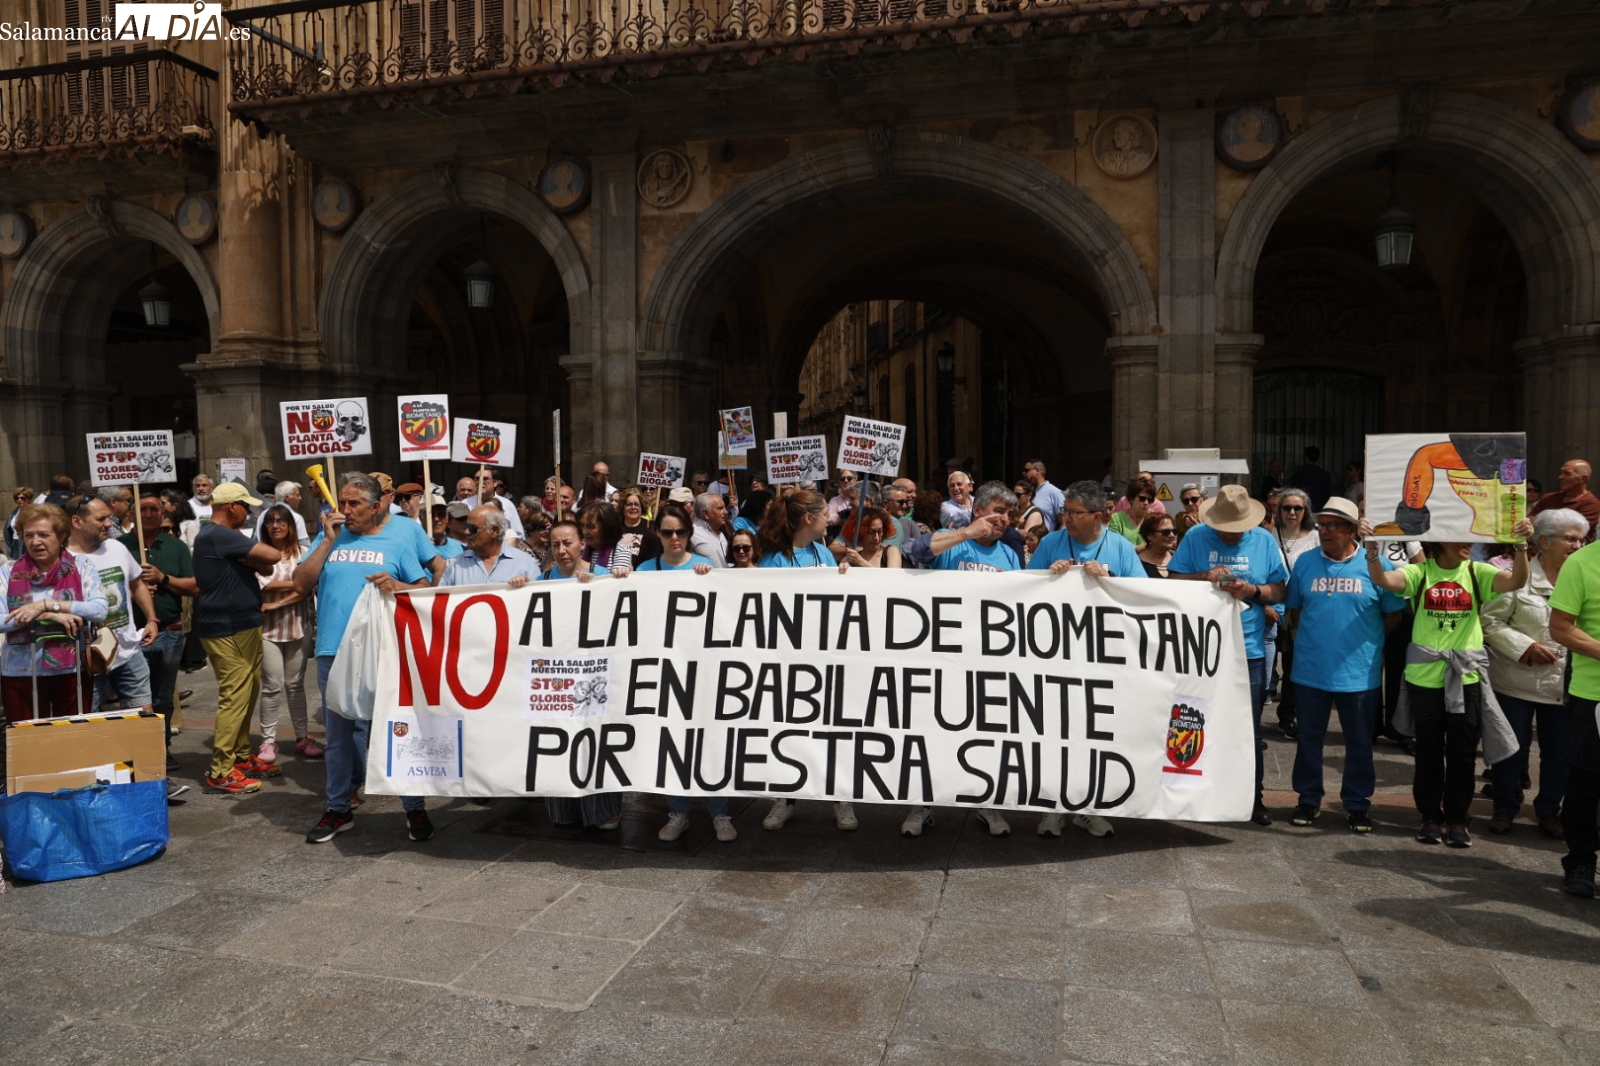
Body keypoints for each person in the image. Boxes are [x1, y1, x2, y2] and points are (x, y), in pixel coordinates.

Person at [1362, 517, 1532, 848]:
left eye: (1470, 537)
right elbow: (1383, 579)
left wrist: (1522, 546)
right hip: (1425, 678)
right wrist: (1370, 548)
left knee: (1463, 753)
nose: (1468, 543)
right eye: (1459, 537)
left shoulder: (1476, 571)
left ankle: (1457, 818)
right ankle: (1429, 816)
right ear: (1439, 540)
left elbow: (1516, 582)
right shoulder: (1421, 573)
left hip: (1466, 677)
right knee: (1428, 751)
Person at [296, 473, 438, 844]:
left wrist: (399, 586)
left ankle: (414, 806)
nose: (345, 510)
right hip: (332, 649)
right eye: (342, 502)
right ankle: (339, 807)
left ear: (376, 506)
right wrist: (327, 542)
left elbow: (424, 589)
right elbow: (300, 582)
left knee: (398, 728)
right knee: (339, 736)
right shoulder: (329, 538)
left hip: (385, 650)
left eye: (354, 503)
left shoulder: (398, 541)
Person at [901, 482, 1026, 839]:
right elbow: (915, 553)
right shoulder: (952, 539)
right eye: (997, 511)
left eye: (1008, 514)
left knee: (985, 734)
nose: (1003, 520)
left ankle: (986, 803)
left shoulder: (1010, 555)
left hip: (987, 661)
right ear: (977, 511)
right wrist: (967, 533)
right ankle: (922, 804)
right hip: (942, 656)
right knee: (931, 733)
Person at [1283, 497, 1406, 833]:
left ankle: (1356, 804)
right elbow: (1294, 611)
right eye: (1323, 524)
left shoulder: (1378, 565)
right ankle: (1308, 799)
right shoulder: (1306, 563)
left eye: (1335, 525)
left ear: (1353, 530)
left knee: (1360, 743)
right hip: (1310, 672)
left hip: (1359, 674)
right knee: (1309, 740)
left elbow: (1392, 615)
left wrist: (1367, 645)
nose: (1326, 531)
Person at [1170, 484, 1290, 827]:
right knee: (1193, 722)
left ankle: (1253, 798)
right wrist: (1203, 577)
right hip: (1202, 650)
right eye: (1224, 528)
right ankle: (1192, 796)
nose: (1230, 534)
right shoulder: (1195, 537)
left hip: (1249, 650)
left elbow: (1281, 588)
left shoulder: (1264, 540)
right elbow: (1174, 580)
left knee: (1248, 729)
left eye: (1237, 529)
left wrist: (1251, 590)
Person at [1481, 508, 1584, 837]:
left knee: (1559, 752)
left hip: (1565, 685)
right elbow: (1489, 622)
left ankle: (1549, 809)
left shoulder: (1584, 578)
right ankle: (1504, 806)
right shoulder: (1518, 576)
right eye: (1570, 539)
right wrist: (1522, 647)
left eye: (1582, 539)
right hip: (1515, 680)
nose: (1577, 546)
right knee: (1512, 747)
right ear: (1543, 541)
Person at [194, 483, 282, 795]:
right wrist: (256, 559)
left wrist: (254, 561)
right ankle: (220, 771)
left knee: (248, 690)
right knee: (235, 695)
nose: (248, 513)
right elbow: (273, 553)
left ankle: (240, 756)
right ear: (232, 506)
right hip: (227, 626)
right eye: (245, 506)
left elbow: (267, 562)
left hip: (241, 623)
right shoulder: (219, 534)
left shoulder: (219, 536)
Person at [538, 518, 625, 829]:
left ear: (582, 544)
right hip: (557, 678)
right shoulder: (543, 579)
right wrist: (520, 588)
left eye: (568, 543)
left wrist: (619, 580)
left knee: (596, 741)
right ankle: (565, 808)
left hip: (595, 675)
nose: (562, 550)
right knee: (560, 737)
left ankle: (604, 810)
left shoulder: (602, 576)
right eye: (555, 544)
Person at [1, 504, 107, 726]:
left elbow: (99, 610)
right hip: (20, 673)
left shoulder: (81, 566)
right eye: (28, 535)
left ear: (61, 535)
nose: (35, 541)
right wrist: (41, 615)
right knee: (28, 745)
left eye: (44, 535)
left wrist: (49, 605)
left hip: (72, 671)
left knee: (71, 741)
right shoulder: (9, 571)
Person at [60, 494, 156, 716]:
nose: (108, 524)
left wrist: (151, 618)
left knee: (144, 717)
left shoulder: (116, 547)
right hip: (87, 660)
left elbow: (137, 583)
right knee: (87, 721)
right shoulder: (63, 560)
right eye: (101, 519)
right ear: (77, 522)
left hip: (129, 651)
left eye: (109, 518)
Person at [121, 494, 196, 765]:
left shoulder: (175, 547)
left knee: (163, 696)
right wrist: (137, 590)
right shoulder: (118, 547)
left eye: (155, 509)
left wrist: (163, 579)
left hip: (169, 631)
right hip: (130, 635)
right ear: (130, 515)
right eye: (143, 509)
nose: (149, 514)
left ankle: (162, 749)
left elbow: (194, 586)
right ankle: (137, 752)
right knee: (133, 697)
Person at [1549, 527, 1600, 897]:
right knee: (1586, 783)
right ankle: (1581, 858)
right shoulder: (1582, 563)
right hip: (1593, 696)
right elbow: (1561, 628)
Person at [254, 503, 320, 762]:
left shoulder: (304, 553)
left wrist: (280, 590)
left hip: (299, 627)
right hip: (267, 630)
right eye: (270, 521)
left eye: (281, 520)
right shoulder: (259, 555)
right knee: (271, 686)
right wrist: (296, 583)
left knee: (295, 685)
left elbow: (308, 587)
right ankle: (268, 742)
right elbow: (261, 586)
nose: (276, 525)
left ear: (291, 526)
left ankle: (302, 737)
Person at [1269, 488, 1320, 739]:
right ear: (1278, 511)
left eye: (1297, 508)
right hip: (1274, 607)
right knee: (1271, 664)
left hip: (1304, 610)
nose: (1291, 512)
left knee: (1296, 665)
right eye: (1286, 508)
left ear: (1305, 511)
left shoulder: (1317, 537)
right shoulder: (1269, 536)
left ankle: (1290, 716)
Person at [1027, 481, 1144, 581]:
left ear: (1097, 517)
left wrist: (1108, 579)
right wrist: (1048, 576)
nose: (1067, 517)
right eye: (1065, 510)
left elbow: (1140, 592)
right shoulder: (1049, 543)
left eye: (1074, 513)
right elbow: (1028, 587)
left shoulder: (1122, 547)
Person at [439, 504, 543, 588]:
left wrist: (526, 587)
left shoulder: (525, 564)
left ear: (494, 531)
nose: (466, 532)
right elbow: (441, 602)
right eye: (466, 527)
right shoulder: (456, 566)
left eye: (473, 528)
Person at [755, 490, 840, 570]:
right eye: (825, 514)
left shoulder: (824, 553)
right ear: (809, 518)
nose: (829, 519)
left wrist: (844, 571)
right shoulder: (774, 560)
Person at [1531, 459, 1600, 541]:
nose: (1560, 477)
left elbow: (1569, 532)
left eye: (1567, 473)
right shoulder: (1548, 498)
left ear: (1583, 479)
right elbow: (1530, 520)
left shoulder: (1592, 505)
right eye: (1561, 473)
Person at [836, 506, 902, 569]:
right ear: (859, 533)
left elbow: (893, 578)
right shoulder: (850, 559)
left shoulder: (891, 551)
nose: (876, 538)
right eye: (871, 532)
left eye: (880, 532)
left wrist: (861, 562)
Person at [578, 501, 634, 573]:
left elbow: (616, 582)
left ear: (607, 528)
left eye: (590, 527)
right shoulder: (581, 550)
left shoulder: (620, 551)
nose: (584, 532)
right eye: (582, 526)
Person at [616, 488, 661, 563]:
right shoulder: (615, 527)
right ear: (623, 507)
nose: (633, 507)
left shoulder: (651, 526)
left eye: (636, 504)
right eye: (629, 504)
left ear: (642, 507)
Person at [1108, 475, 1155, 546]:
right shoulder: (1116, 518)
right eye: (1142, 498)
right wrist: (1139, 549)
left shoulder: (1154, 519)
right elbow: (1114, 546)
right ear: (1131, 498)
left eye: (1150, 500)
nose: (1146, 503)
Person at [690, 492, 731, 568]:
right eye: (720, 508)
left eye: (725, 508)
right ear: (705, 513)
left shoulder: (726, 529)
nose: (726, 512)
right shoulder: (692, 534)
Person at [1022, 460, 1064, 530]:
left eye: (1026, 470)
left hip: (1045, 539)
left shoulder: (1055, 492)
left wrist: (1055, 540)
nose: (1023, 473)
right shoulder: (1027, 492)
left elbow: (1064, 523)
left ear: (1038, 470)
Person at [1289, 446, 1333, 511]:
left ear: (1306, 457)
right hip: (1320, 509)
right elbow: (1327, 494)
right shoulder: (1325, 475)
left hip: (1303, 509)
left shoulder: (1300, 473)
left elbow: (1294, 491)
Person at [1136, 513, 1177, 577]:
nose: (1172, 535)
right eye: (1165, 532)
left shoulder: (1178, 560)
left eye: (1174, 531)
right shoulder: (1136, 562)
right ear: (1149, 535)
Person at [272, 482, 310, 546]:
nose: (300, 498)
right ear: (287, 498)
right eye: (297, 495)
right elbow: (304, 544)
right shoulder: (296, 517)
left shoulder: (262, 515)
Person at [5, 486, 34, 560]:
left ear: (29, 498)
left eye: (22, 498)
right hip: (15, 544)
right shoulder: (14, 513)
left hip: (28, 544)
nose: (19, 500)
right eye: (16, 498)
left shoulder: (34, 512)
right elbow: (8, 531)